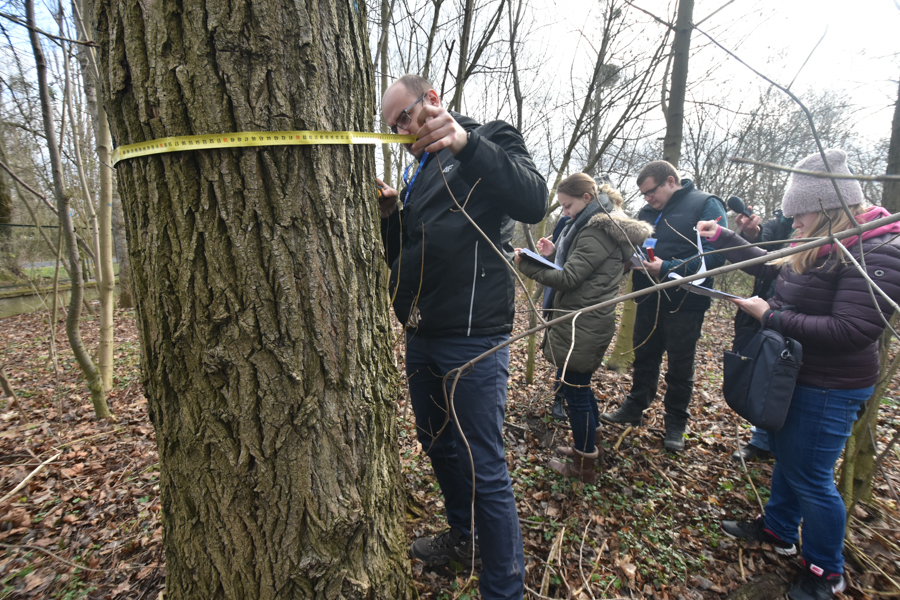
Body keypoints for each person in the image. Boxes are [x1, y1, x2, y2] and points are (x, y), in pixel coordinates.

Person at [697, 148, 900, 600]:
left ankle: (826, 571)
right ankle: (780, 530)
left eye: (800, 215)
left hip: (831, 385)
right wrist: (724, 238)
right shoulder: (823, 244)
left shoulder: (874, 250)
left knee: (811, 475)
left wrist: (771, 318)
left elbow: (852, 329)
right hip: (801, 375)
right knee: (790, 458)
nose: (792, 224)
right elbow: (774, 267)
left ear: (828, 210)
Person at [378, 74, 548, 600]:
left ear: (431, 100)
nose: (403, 130)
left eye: (405, 117)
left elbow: (533, 200)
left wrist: (467, 144)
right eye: (392, 127)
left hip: (475, 338)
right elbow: (404, 256)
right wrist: (391, 219)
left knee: (482, 461)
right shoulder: (417, 172)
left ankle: (504, 589)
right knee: (436, 443)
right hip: (423, 334)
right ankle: (464, 538)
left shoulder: (490, 136)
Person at [515, 174, 652, 483]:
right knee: (581, 387)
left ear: (587, 199)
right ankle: (590, 443)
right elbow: (579, 270)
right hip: (586, 320)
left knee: (576, 393)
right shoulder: (597, 226)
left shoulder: (596, 232)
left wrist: (527, 265)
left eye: (567, 205)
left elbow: (569, 279)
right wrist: (550, 257)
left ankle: (583, 464)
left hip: (582, 324)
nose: (564, 212)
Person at [599, 161, 727, 452]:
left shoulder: (706, 204)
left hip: (686, 302)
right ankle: (634, 408)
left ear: (671, 181)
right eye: (643, 194)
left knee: (680, 367)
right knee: (644, 356)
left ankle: (675, 425)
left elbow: (716, 257)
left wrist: (667, 268)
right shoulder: (647, 212)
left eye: (650, 192)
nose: (647, 199)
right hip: (647, 297)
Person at [730, 208, 794, 463]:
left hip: (792, 317)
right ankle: (761, 440)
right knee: (764, 371)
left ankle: (782, 444)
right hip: (764, 310)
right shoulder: (777, 224)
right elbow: (762, 259)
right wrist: (750, 234)